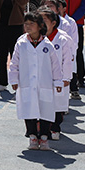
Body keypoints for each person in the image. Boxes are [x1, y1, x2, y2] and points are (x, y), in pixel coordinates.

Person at [8, 12, 60, 151]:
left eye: (32, 23)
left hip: (45, 83)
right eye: (26, 24)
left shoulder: (47, 45)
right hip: (27, 83)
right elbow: (14, 63)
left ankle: (43, 137)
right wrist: (13, 78)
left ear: (40, 26)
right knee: (28, 109)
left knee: (45, 110)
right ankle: (32, 136)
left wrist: (58, 81)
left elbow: (55, 65)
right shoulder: (21, 43)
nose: (28, 27)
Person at [38, 7, 73, 141]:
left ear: (53, 22)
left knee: (57, 105)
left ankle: (55, 127)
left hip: (59, 78)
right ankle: (41, 128)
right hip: (41, 78)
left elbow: (68, 60)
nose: (41, 23)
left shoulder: (63, 39)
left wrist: (66, 77)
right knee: (42, 103)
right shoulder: (36, 38)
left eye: (44, 20)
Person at [53, 0, 85, 92]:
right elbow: (53, 4)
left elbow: (84, 6)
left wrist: (70, 19)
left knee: (77, 51)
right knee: (59, 52)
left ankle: (80, 78)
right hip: (57, 24)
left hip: (76, 24)